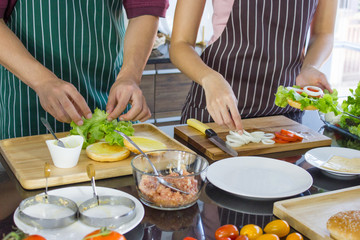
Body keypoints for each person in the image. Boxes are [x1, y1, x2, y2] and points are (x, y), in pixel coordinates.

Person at [0, 0, 169, 140]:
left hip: (108, 91)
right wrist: (42, 81)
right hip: (28, 100)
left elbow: (146, 8)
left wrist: (129, 76)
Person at [170, 0, 337, 132]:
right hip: (217, 112)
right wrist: (209, 78)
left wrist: (310, 66)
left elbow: (324, 33)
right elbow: (180, 44)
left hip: (284, 118)